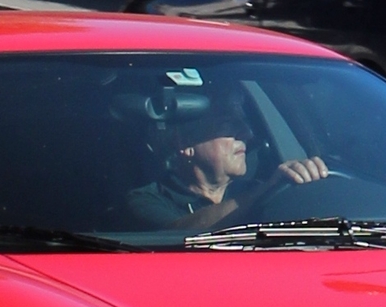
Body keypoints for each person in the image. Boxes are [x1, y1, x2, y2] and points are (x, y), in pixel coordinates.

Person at [127, 98, 330, 231]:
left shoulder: (264, 192)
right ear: (186, 144)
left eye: (244, 125)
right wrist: (261, 193)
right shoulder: (145, 199)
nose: (247, 135)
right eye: (228, 126)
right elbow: (176, 233)